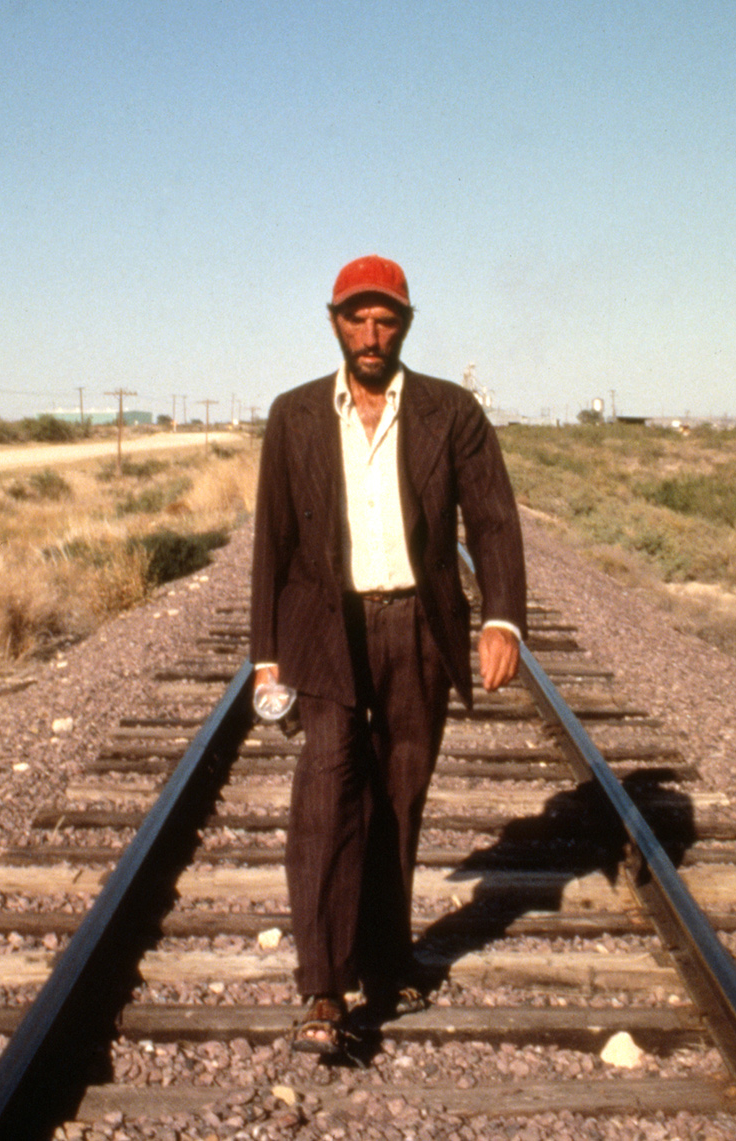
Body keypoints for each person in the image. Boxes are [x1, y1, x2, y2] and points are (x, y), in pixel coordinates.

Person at [249, 254, 527, 1055]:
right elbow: (274, 538)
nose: (371, 335)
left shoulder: (451, 411)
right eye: (356, 318)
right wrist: (266, 656)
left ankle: (384, 954)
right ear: (333, 321)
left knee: (401, 794)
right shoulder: (294, 414)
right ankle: (323, 989)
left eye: (386, 320)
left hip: (416, 626)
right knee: (327, 792)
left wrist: (501, 617)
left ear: (405, 324)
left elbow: (495, 520)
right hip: (323, 628)